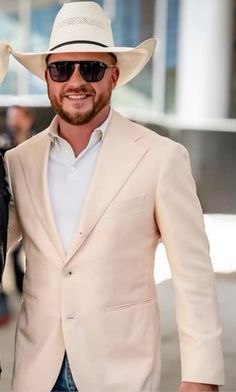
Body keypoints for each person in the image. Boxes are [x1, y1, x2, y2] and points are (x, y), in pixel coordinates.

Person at [0, 2, 224, 392]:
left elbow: (193, 276)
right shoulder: (18, 161)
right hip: (36, 372)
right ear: (47, 79)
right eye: (61, 69)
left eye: (91, 68)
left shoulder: (161, 158)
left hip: (121, 374)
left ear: (114, 75)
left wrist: (201, 376)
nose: (75, 81)